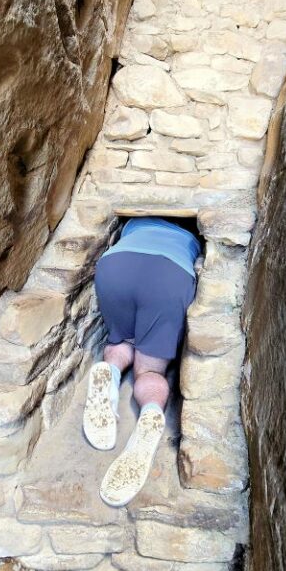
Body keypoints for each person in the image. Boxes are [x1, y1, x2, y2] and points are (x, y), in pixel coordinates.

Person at [83, 216, 202, 507]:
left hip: (116, 266)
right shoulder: (190, 233)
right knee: (148, 369)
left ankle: (109, 370)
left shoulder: (134, 222)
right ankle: (150, 414)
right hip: (169, 274)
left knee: (122, 341)